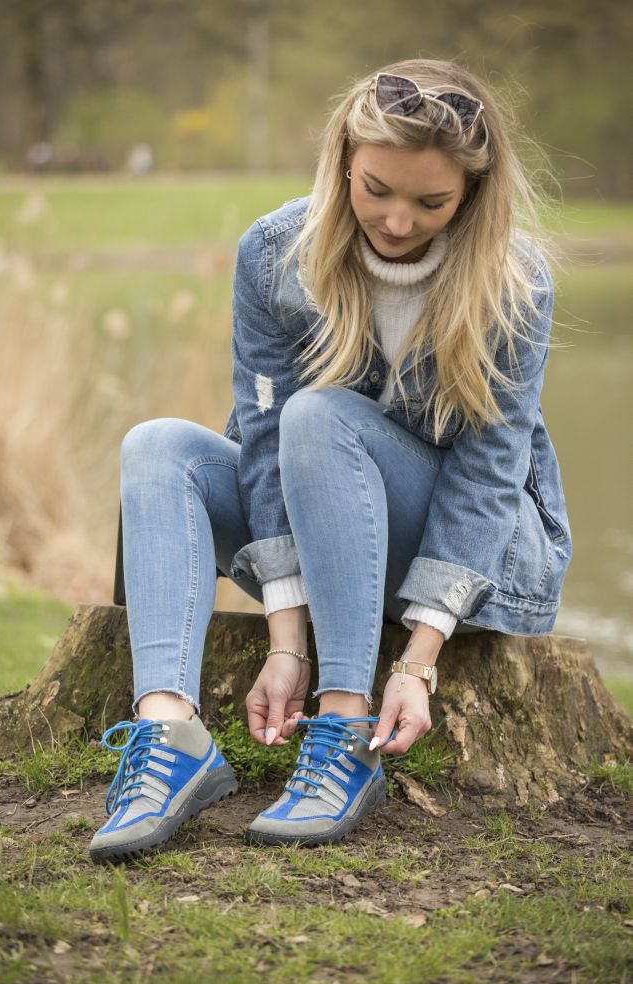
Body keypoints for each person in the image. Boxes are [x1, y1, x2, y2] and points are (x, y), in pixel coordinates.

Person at [89, 58, 572, 862]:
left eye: (430, 202)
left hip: (472, 556)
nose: (394, 220)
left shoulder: (513, 282)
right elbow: (265, 442)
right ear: (344, 159)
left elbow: (489, 473)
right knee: (160, 447)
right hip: (318, 538)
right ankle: (170, 735)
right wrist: (285, 640)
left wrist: (415, 665)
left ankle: (343, 730)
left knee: (318, 413)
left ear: (472, 195)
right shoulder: (277, 253)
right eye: (374, 188)